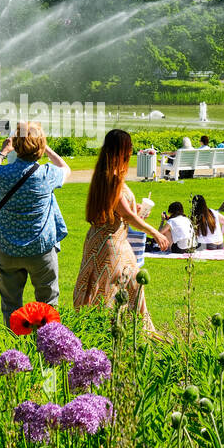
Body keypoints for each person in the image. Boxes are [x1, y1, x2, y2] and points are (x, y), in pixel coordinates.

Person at [73, 129, 169, 333]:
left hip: (99, 240)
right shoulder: (113, 178)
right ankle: (129, 331)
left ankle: (102, 329)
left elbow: (121, 211)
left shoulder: (102, 175)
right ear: (121, 150)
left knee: (104, 286)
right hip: (111, 244)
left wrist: (136, 211)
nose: (132, 150)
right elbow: (127, 215)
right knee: (121, 285)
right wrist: (156, 233)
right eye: (129, 147)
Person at [0, 121, 73, 329]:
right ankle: (47, 348)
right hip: (41, 249)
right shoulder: (47, 174)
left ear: (15, 145)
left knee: (11, 305)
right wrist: (47, 148)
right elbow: (66, 168)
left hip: (6, 248)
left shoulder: (3, 174)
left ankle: (14, 351)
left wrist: (2, 153)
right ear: (40, 147)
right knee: (48, 305)